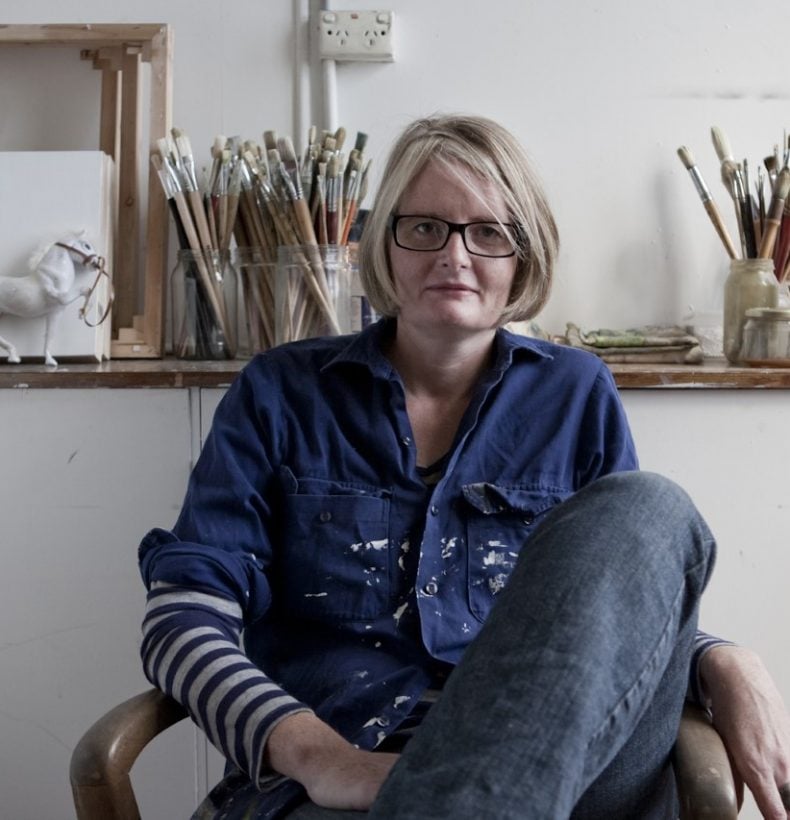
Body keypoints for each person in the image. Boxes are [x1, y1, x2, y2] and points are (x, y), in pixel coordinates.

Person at [139, 114, 790, 819]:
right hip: (352, 771)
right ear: (384, 242)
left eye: (488, 232)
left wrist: (721, 658)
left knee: (651, 508)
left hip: (571, 772)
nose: (455, 255)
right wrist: (319, 756)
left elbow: (609, 612)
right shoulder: (280, 393)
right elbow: (181, 619)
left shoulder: (574, 393)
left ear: (524, 255)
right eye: (424, 227)